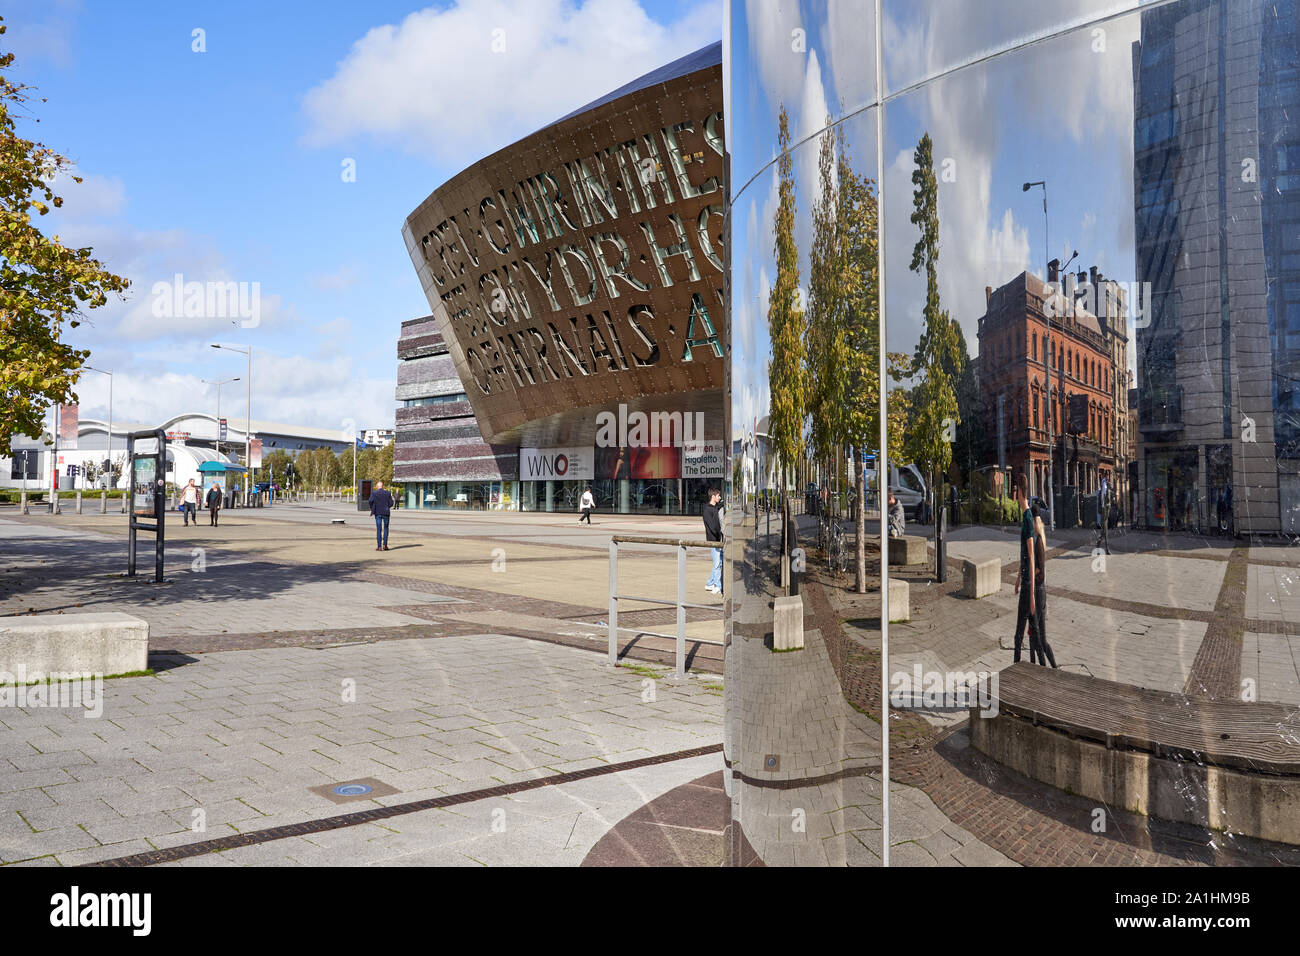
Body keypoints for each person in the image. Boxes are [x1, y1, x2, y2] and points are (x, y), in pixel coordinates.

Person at [1012, 475, 1041, 665]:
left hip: (1029, 586)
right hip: (1026, 582)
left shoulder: (1028, 518)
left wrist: (1030, 594)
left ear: (1019, 493)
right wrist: (1017, 578)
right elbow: (1024, 555)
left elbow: (1031, 557)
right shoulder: (1025, 517)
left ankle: (1016, 667)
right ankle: (1037, 664)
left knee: (1020, 635)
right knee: (1032, 632)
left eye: (1015, 491)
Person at [1031, 502, 1057, 668]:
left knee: (1039, 636)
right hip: (1040, 591)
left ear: (1035, 521)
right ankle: (1050, 667)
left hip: (1039, 591)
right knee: (1037, 635)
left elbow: (1040, 570)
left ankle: (1051, 667)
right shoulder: (1039, 538)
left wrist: (1030, 573)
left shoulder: (1039, 541)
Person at [702, 486, 724, 594]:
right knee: (717, 563)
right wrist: (719, 534)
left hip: (718, 540)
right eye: (718, 496)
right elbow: (712, 526)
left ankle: (709, 583)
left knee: (718, 562)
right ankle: (717, 585)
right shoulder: (707, 510)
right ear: (713, 496)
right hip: (713, 540)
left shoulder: (716, 507)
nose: (720, 497)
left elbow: (721, 505)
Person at [368, 480, 394, 551]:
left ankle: (379, 546)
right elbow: (391, 503)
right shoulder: (388, 493)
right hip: (386, 512)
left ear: (377, 487)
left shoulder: (374, 493)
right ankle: (385, 545)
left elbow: (370, 501)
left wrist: (372, 507)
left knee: (379, 529)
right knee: (386, 528)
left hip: (378, 512)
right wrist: (386, 506)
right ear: (383, 486)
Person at [1096, 475, 1111, 555]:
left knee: (1104, 533)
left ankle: (1099, 548)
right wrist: (1101, 512)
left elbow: (1109, 502)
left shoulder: (1107, 492)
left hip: (1106, 514)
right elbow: (1100, 504)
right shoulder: (1101, 493)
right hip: (1103, 514)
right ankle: (1106, 549)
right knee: (1104, 533)